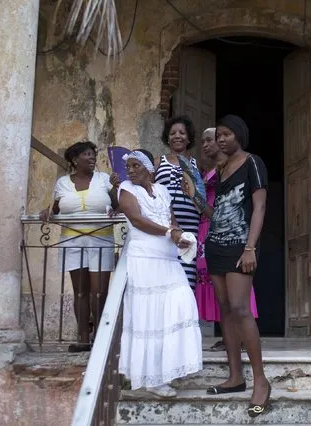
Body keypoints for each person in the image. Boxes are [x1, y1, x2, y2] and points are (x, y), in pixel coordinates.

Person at [118, 149, 202, 398]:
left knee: (180, 303)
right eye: (129, 167)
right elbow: (137, 220)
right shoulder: (126, 189)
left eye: (136, 166)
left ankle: (167, 369)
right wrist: (169, 233)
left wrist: (180, 237)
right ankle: (152, 378)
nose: (130, 171)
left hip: (167, 257)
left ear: (149, 168)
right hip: (144, 259)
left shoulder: (163, 191)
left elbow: (171, 220)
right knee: (150, 316)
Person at [204, 115, 271, 417]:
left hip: (239, 245)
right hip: (215, 245)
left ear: (239, 135)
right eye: (218, 135)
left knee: (241, 309)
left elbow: (258, 207)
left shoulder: (252, 163)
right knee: (225, 310)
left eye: (226, 134)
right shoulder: (220, 169)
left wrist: (250, 248)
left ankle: (261, 380)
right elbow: (216, 209)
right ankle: (235, 377)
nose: (220, 139)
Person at [39, 140, 119, 353]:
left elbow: (117, 205)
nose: (92, 157)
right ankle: (83, 338)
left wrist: (116, 196)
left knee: (99, 292)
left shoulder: (104, 180)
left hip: (101, 239)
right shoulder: (63, 183)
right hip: (72, 241)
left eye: (93, 154)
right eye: (87, 154)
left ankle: (101, 338)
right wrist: (46, 213)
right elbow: (54, 209)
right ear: (74, 159)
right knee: (80, 292)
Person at [190, 128, 259, 352]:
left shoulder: (234, 169)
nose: (206, 145)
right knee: (215, 286)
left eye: (210, 140)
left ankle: (239, 336)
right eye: (203, 141)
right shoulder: (209, 170)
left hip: (227, 228)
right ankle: (228, 336)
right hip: (206, 230)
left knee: (235, 288)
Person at [154, 115, 201, 288]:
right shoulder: (158, 162)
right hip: (164, 228)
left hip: (191, 228)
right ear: (167, 137)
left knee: (187, 282)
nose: (177, 136)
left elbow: (202, 197)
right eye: (173, 133)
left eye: (182, 133)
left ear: (189, 138)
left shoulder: (197, 165)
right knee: (165, 280)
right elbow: (147, 190)